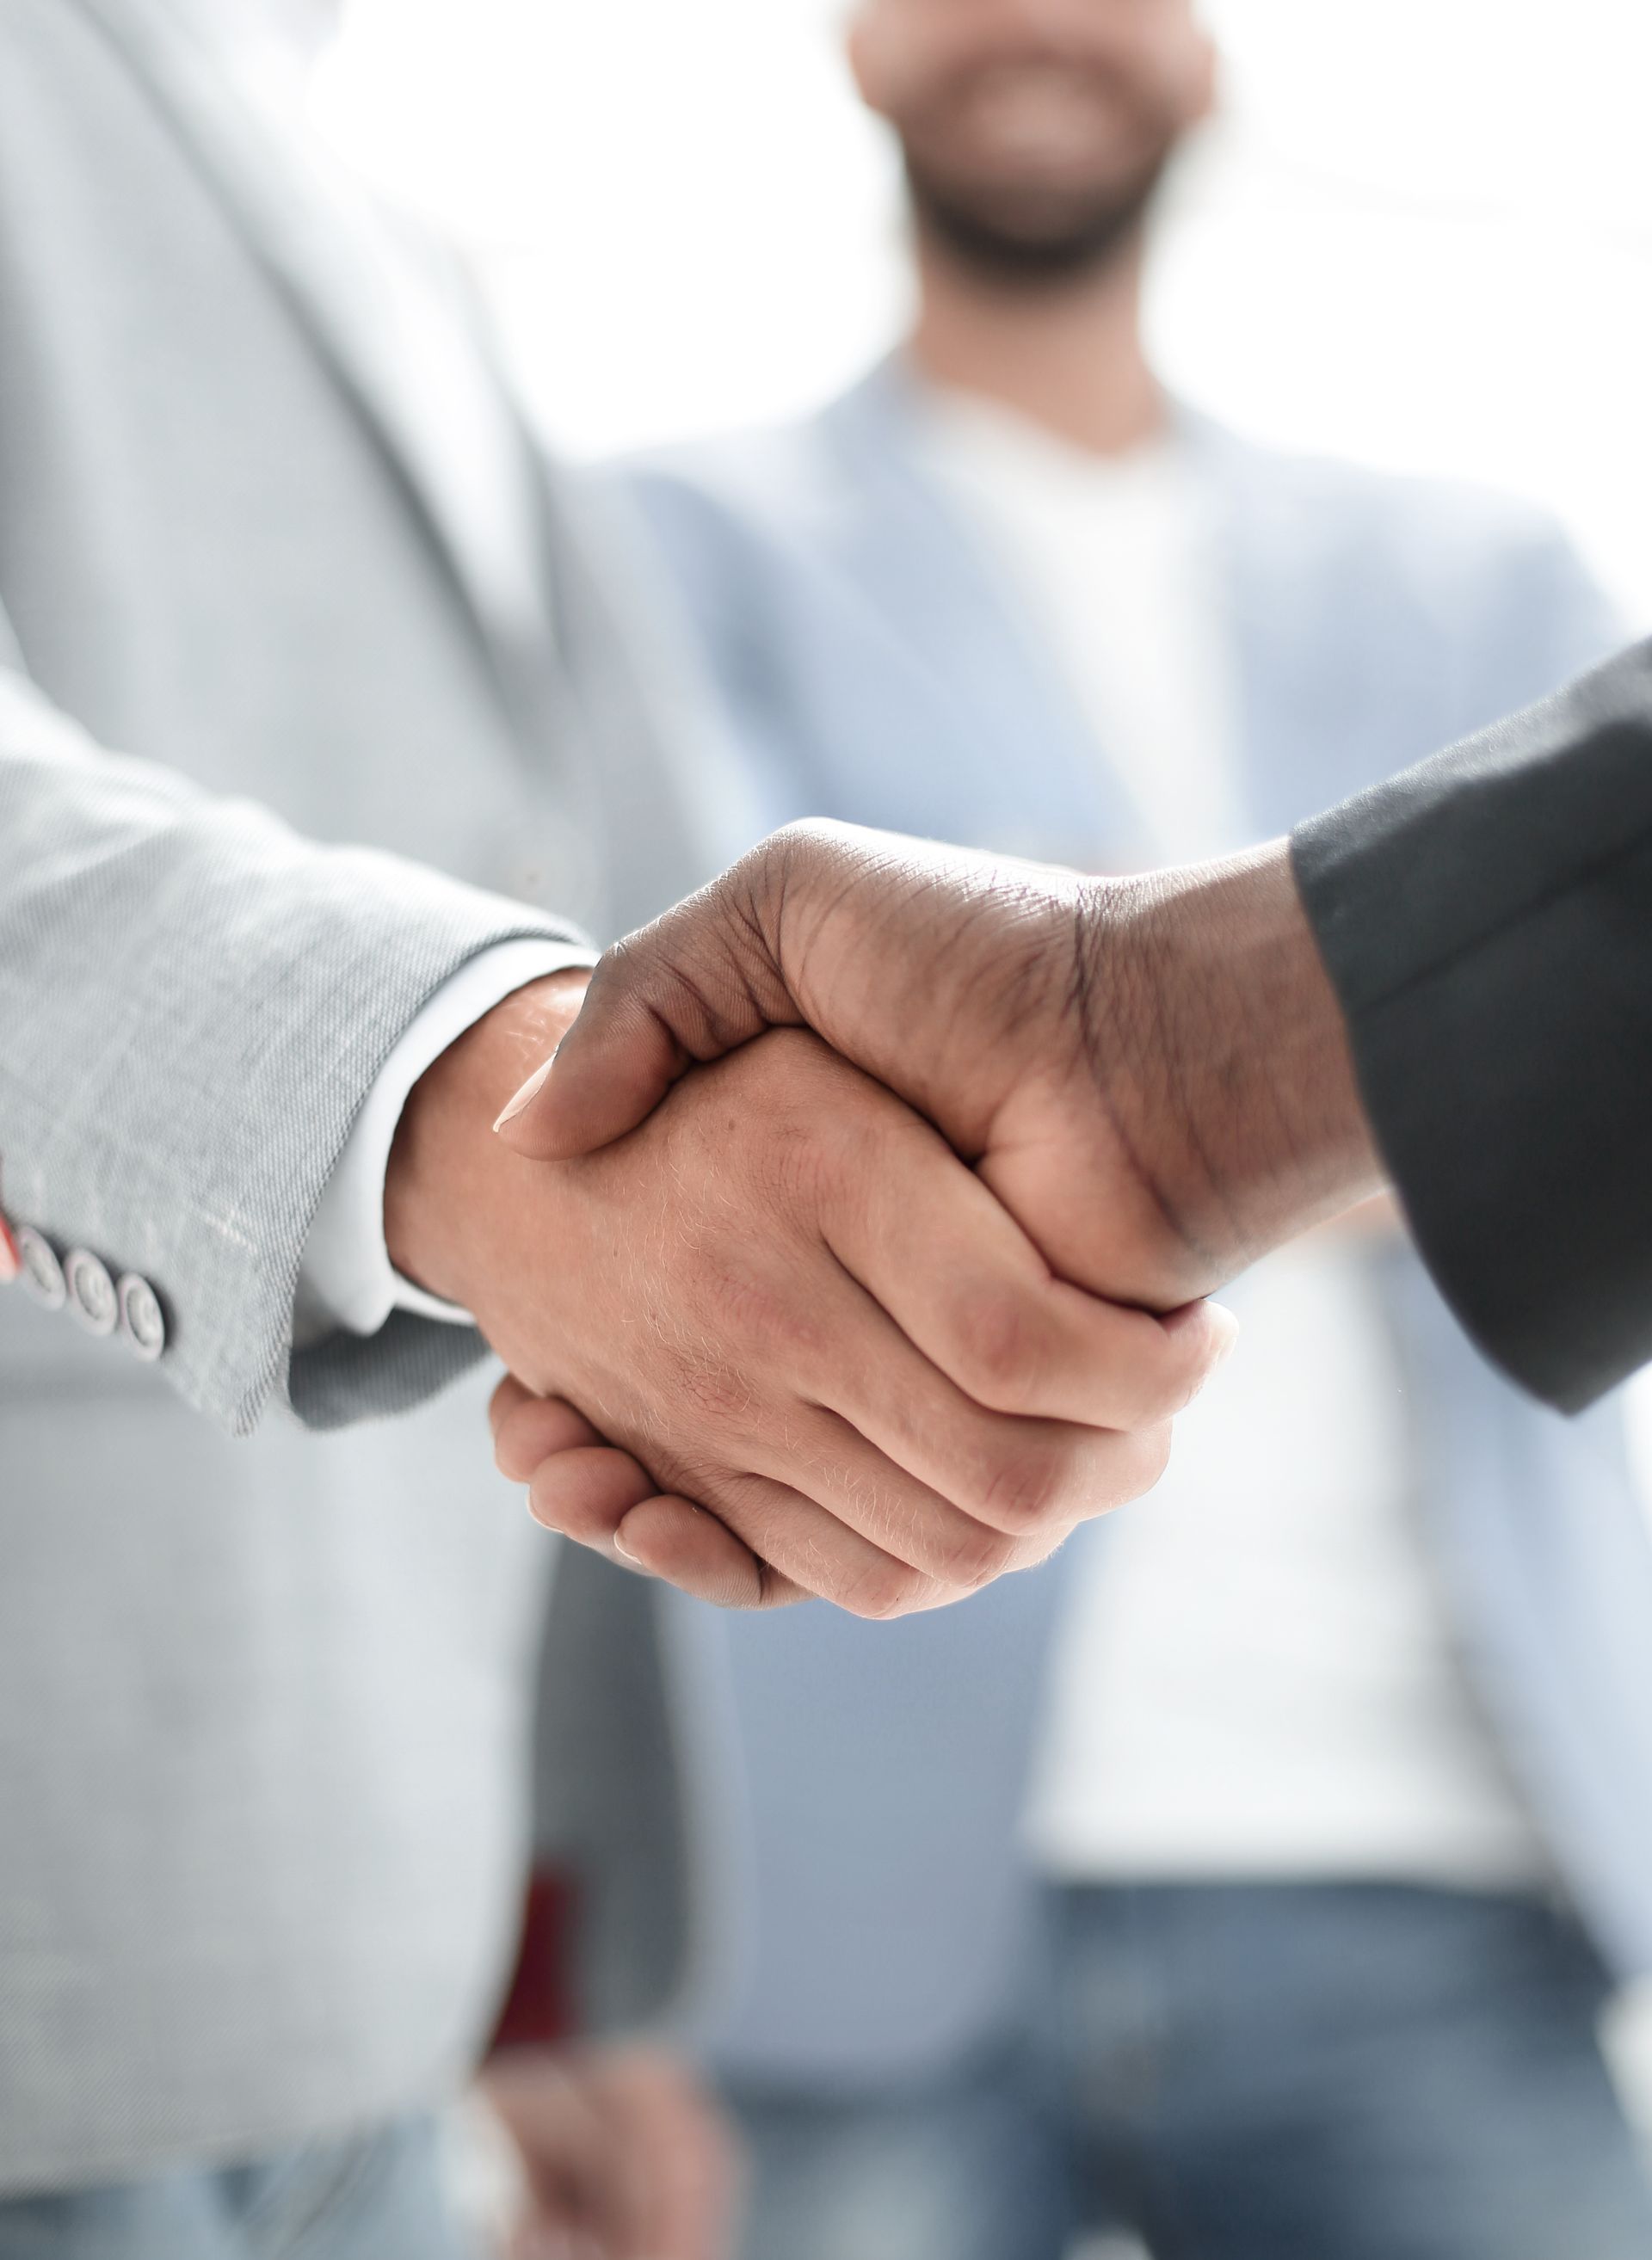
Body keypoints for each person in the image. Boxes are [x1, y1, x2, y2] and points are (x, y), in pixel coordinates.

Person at [0, 3, 1209, 2253]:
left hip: (370, 1948)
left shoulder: (379, 221)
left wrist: (571, 1956)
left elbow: (619, 948)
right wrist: (477, 1114)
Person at [496, 2, 1652, 2252]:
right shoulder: (650, 543)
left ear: (1212, 50)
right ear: (854, 44)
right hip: (834, 1906)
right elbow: (623, 1144)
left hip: (1433, 1844)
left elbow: (1601, 1039)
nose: (1038, 20)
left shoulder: (1483, 575)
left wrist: (1085, 1090)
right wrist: (570, 1953)